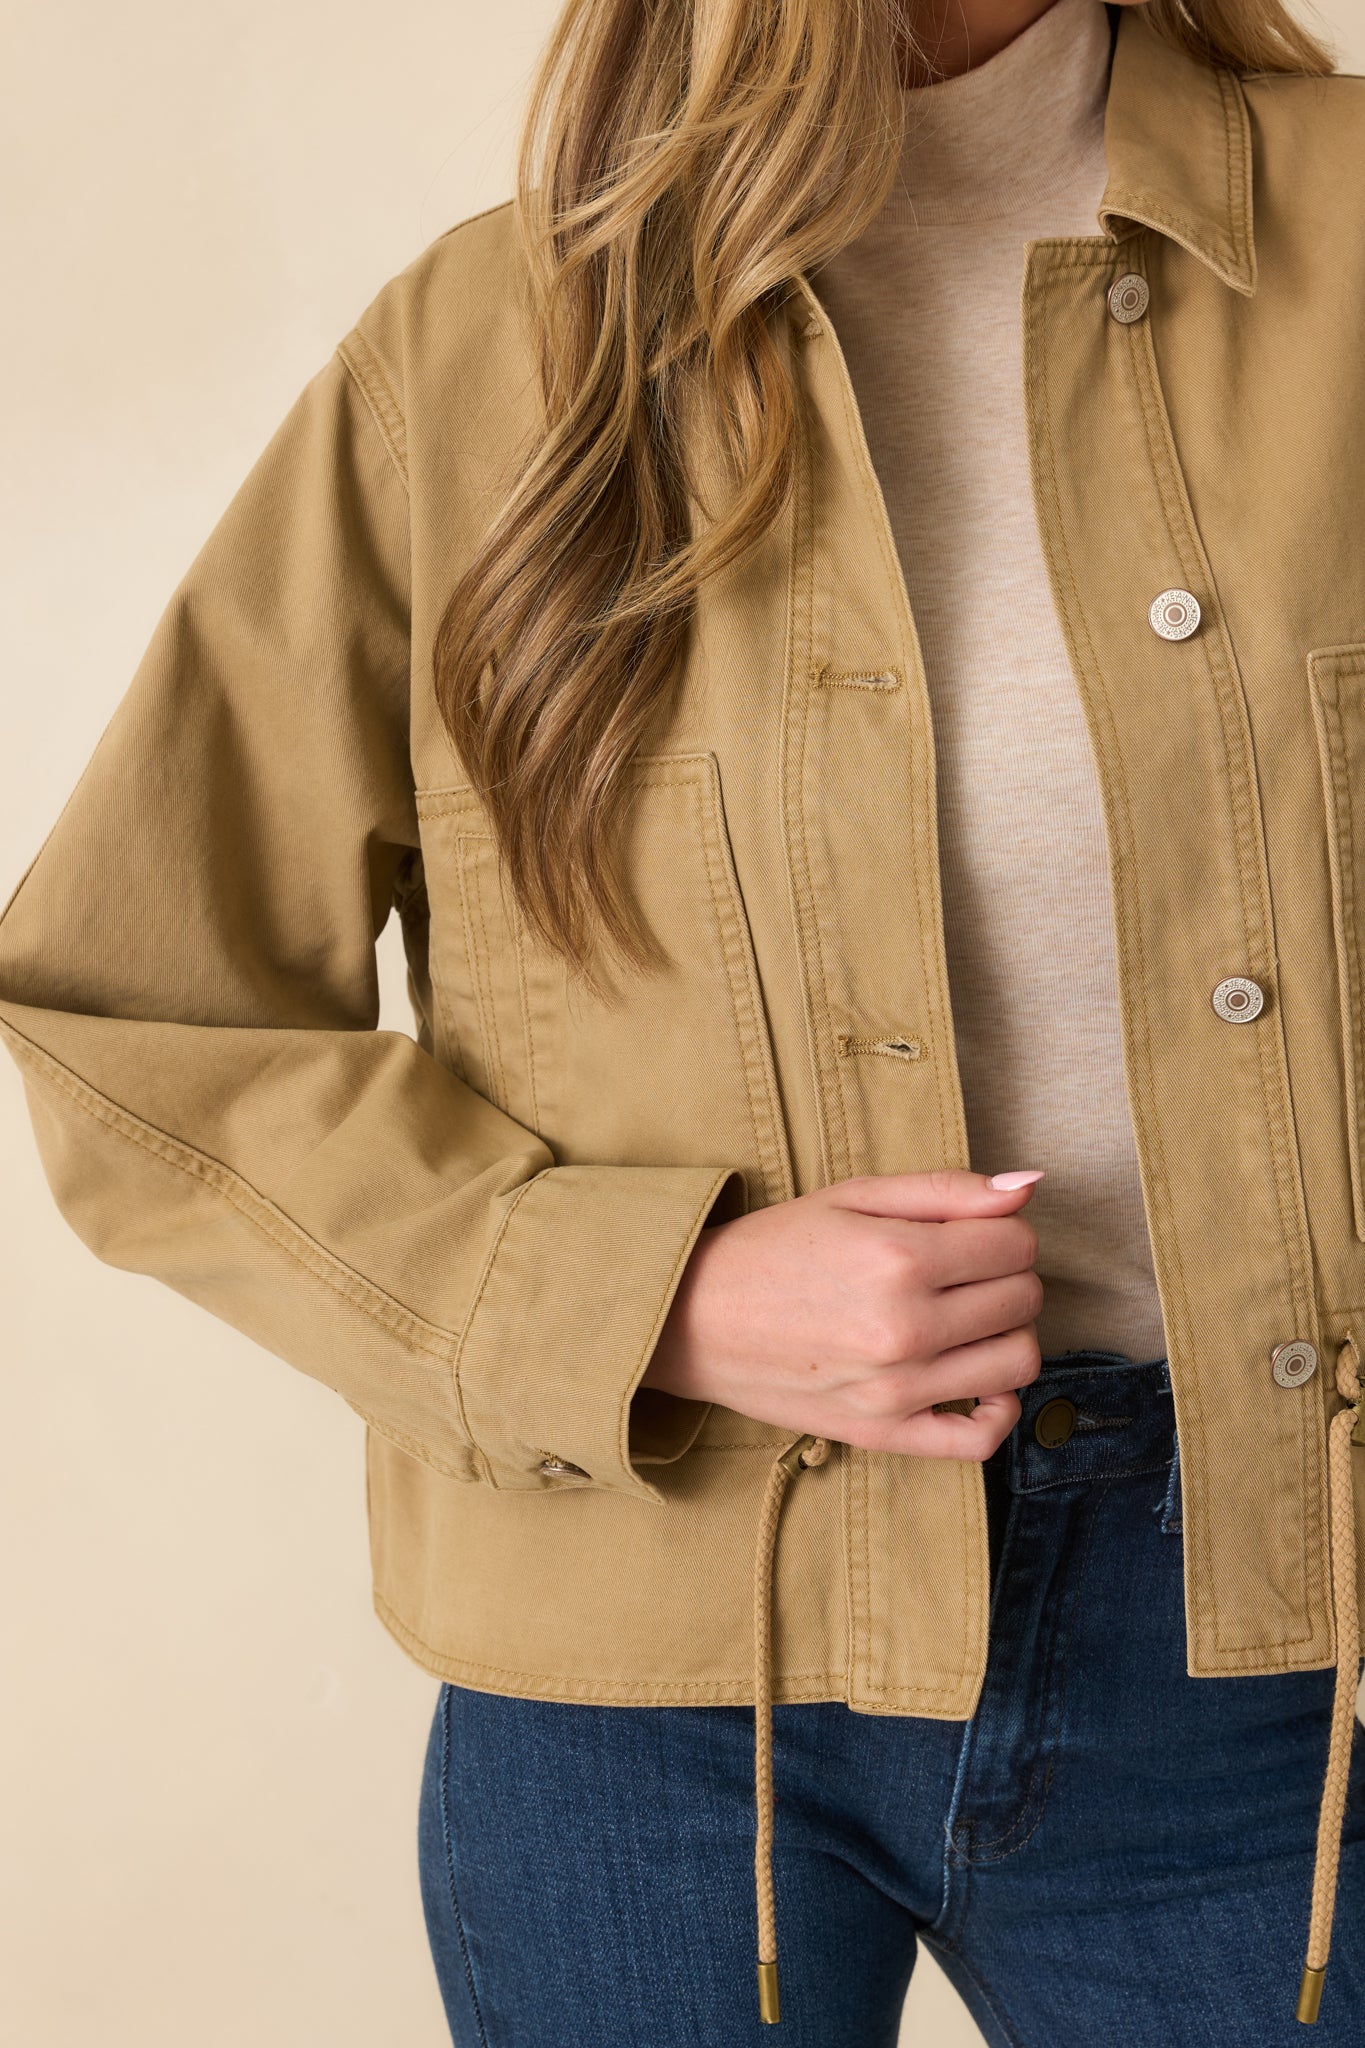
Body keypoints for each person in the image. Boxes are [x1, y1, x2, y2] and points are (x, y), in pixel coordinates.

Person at [2, 0, 1363, 2039]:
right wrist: (640, 1301)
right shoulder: (478, 356)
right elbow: (135, 1013)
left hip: (1270, 1658)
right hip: (639, 1678)